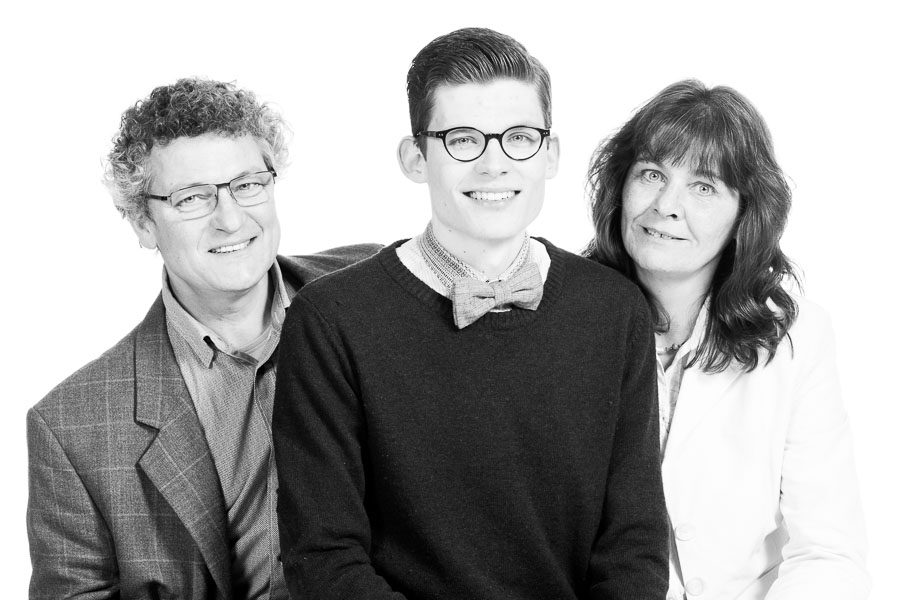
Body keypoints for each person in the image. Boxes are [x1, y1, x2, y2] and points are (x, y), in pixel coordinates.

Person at [273, 27, 668, 600]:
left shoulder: (614, 309)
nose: (494, 164)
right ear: (415, 158)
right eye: (463, 139)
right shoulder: (331, 319)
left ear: (551, 155)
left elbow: (634, 546)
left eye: (519, 138)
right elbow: (324, 557)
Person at [26, 77, 378, 599]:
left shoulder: (379, 289)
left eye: (247, 185)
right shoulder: (72, 426)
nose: (230, 219)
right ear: (143, 225)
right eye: (192, 197)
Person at [585, 79, 869, 600]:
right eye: (651, 174)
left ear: (745, 214)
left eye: (704, 187)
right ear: (620, 186)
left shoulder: (797, 338)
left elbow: (828, 554)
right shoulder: (565, 319)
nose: (667, 206)